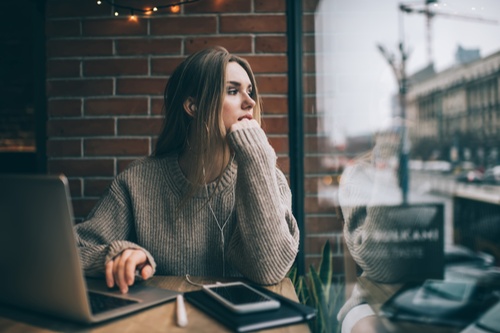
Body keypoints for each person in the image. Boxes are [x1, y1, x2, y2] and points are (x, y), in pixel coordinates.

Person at [75, 46, 300, 294]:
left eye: (250, 91)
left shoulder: (270, 178)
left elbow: (269, 270)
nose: (250, 102)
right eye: (233, 91)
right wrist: (118, 255)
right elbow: (72, 249)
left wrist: (257, 158)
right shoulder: (138, 181)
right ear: (192, 106)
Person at [337, 132, 438, 333]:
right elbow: (379, 264)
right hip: (376, 301)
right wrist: (386, 167)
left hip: (433, 299)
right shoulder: (358, 174)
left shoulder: (422, 172)